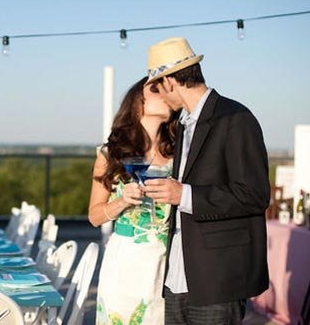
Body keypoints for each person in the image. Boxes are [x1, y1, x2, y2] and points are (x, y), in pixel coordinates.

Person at [142, 37, 270, 325]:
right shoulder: (183, 125)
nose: (161, 97)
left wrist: (184, 195)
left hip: (218, 280)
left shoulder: (236, 118)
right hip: (177, 277)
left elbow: (255, 194)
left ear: (171, 82)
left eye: (159, 88)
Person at [89, 76, 178, 324]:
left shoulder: (179, 154)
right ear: (138, 102)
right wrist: (123, 201)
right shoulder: (110, 154)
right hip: (126, 265)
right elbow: (94, 216)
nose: (166, 93)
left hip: (168, 262)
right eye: (156, 90)